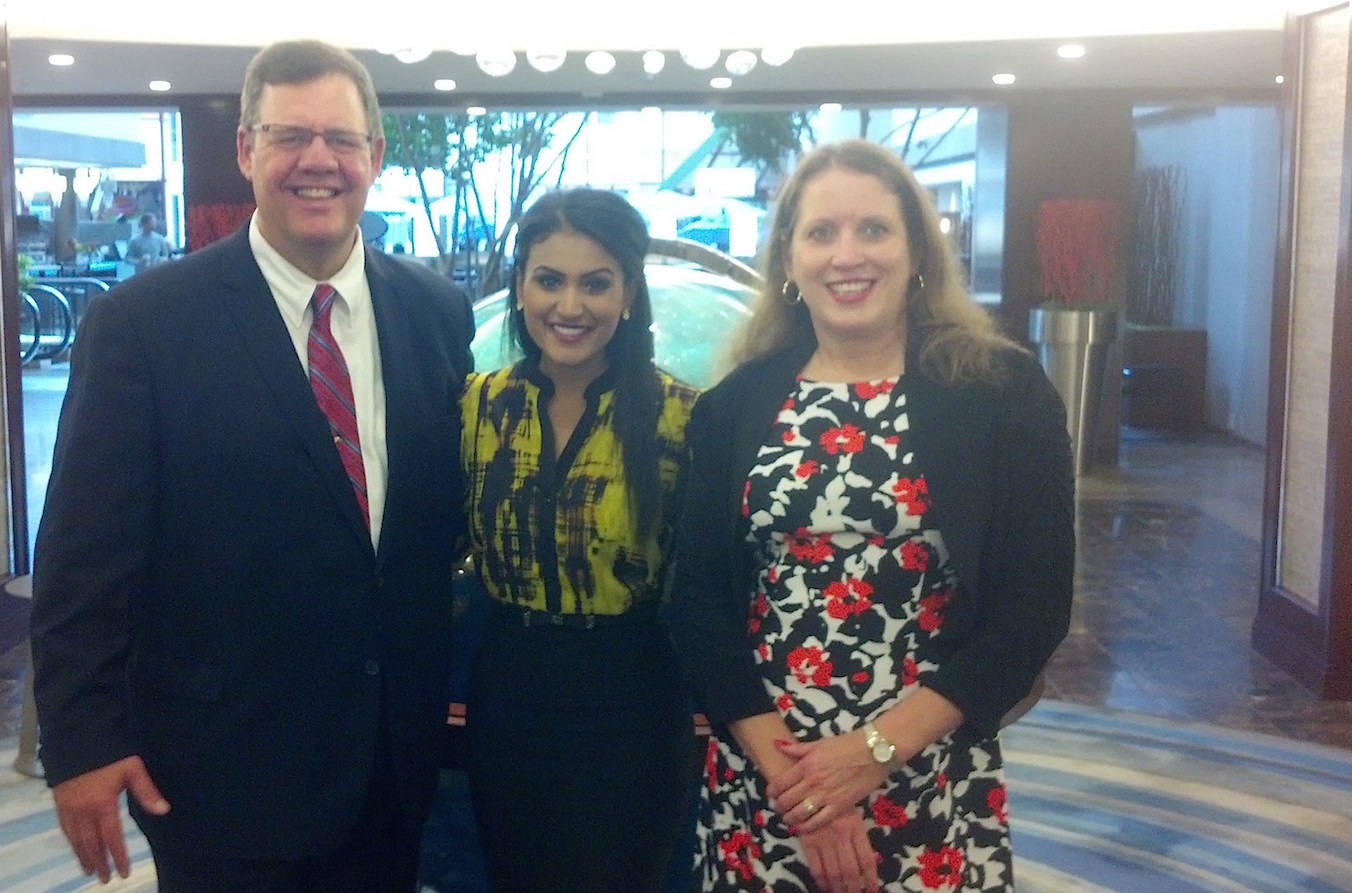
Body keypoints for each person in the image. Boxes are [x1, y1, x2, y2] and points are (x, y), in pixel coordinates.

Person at [29, 39, 473, 892]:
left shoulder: (435, 311)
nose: (318, 161)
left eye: (342, 139)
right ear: (245, 149)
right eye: (289, 136)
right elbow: (83, 563)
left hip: (391, 764)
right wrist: (81, 744)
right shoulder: (144, 326)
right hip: (221, 770)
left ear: (374, 156)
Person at [670, 139, 1074, 893]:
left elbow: (1035, 605)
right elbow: (695, 603)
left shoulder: (1002, 394)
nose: (846, 254)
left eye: (874, 230)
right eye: (820, 232)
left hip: (930, 774)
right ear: (788, 260)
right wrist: (805, 789)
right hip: (768, 784)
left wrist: (871, 752)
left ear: (917, 249)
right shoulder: (733, 406)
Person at [460, 187, 701, 892]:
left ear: (629, 290)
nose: (570, 306)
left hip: (633, 695)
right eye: (549, 280)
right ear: (521, 286)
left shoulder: (682, 418)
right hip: (509, 688)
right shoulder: (475, 406)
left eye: (595, 283)